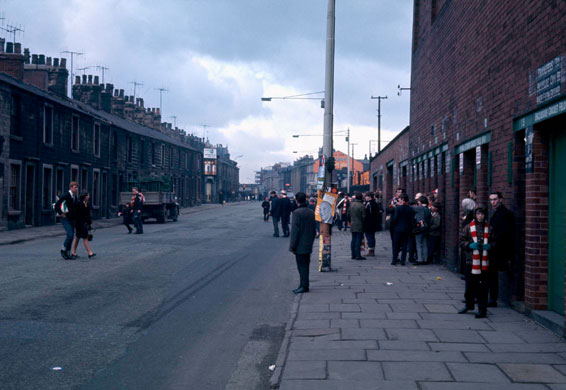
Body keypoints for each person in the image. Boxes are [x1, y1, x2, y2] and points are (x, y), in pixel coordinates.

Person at [458, 206, 491, 318]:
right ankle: (469, 305)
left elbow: (495, 241)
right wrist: (469, 245)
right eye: (478, 214)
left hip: (484, 262)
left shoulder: (489, 228)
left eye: (482, 214)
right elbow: (461, 241)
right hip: (471, 261)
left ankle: (482, 310)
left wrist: (491, 246)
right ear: (475, 215)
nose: (480, 216)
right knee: (470, 286)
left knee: (483, 287)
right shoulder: (468, 227)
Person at [488, 191, 515, 307]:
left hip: (499, 249)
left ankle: (493, 299)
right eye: (491, 200)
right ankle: (492, 298)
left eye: (495, 199)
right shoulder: (496, 212)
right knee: (492, 274)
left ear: (501, 200)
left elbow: (504, 233)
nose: (493, 202)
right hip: (495, 248)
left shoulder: (504, 214)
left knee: (493, 274)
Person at [289, 192, 317, 294]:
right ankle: (303, 284)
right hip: (308, 243)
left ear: (297, 201)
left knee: (301, 267)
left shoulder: (297, 213)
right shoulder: (310, 212)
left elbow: (295, 232)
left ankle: (304, 286)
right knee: (306, 266)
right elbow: (314, 230)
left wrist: (292, 246)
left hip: (300, 245)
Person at [55, 181, 79, 260]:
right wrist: (61, 213)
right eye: (75, 187)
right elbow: (57, 205)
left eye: (77, 187)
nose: (76, 189)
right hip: (65, 219)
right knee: (70, 234)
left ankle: (68, 253)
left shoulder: (75, 196)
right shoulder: (65, 195)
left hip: (72, 218)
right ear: (71, 187)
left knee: (71, 236)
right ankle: (63, 249)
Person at [390, 193, 415, 266]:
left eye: (400, 198)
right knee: (404, 245)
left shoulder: (398, 208)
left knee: (396, 245)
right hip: (406, 229)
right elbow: (411, 220)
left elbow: (395, 219)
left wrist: (393, 226)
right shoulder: (410, 209)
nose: (398, 200)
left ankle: (394, 260)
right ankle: (402, 261)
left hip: (397, 229)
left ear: (403, 199)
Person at [71, 191, 96, 259]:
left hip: (84, 223)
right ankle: (90, 253)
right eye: (87, 195)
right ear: (84, 196)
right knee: (85, 237)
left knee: (77, 237)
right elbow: (77, 214)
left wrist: (89, 223)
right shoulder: (78, 203)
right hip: (80, 223)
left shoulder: (87, 203)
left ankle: (73, 252)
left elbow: (88, 214)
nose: (89, 196)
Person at [413, 195, 431, 265]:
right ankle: (425, 258)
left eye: (418, 201)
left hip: (420, 228)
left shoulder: (420, 208)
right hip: (426, 228)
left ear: (420, 202)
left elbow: (411, 208)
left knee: (419, 244)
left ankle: (420, 259)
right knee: (424, 244)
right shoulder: (427, 209)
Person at [349, 192, 366, 260]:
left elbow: (348, 214)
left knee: (353, 239)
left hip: (353, 224)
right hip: (359, 224)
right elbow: (364, 216)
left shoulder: (351, 205)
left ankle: (353, 255)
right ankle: (358, 255)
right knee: (358, 240)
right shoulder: (361, 206)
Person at [363, 192, 379, 257]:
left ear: (369, 197)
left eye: (366, 196)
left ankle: (370, 250)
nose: (365, 198)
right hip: (374, 223)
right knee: (372, 236)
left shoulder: (369, 204)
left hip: (369, 223)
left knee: (369, 237)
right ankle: (372, 250)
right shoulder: (375, 203)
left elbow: (368, 214)